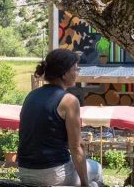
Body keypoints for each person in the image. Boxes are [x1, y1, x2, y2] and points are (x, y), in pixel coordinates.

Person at [17, 49, 102, 187]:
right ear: (64, 74)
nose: (78, 73)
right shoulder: (69, 100)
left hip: (25, 171)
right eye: (76, 69)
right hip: (51, 173)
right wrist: (85, 184)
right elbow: (75, 147)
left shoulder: (31, 95)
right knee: (96, 170)